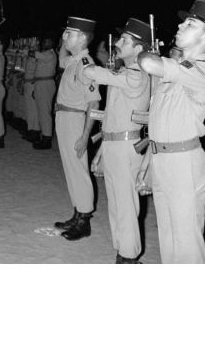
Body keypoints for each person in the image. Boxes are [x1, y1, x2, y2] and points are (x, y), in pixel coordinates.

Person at [138, 0, 205, 263]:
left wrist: (148, 53)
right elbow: (160, 124)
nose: (180, 25)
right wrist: (149, 161)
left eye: (190, 24)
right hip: (164, 159)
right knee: (168, 238)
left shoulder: (204, 72)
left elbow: (149, 64)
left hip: (184, 163)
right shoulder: (178, 72)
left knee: (187, 244)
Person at [83, 18, 151, 263]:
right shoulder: (123, 72)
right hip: (113, 143)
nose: (118, 43)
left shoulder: (137, 74)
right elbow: (111, 116)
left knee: (126, 204)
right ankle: (122, 250)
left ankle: (129, 256)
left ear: (139, 48)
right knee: (115, 202)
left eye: (125, 40)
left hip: (126, 146)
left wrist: (87, 62)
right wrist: (102, 148)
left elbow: (92, 72)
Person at [54, 17, 101, 241]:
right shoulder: (74, 60)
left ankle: (84, 220)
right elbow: (61, 59)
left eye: (69, 33)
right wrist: (65, 42)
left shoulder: (86, 65)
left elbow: (94, 103)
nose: (64, 36)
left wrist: (84, 136)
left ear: (82, 37)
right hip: (64, 117)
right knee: (71, 169)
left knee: (79, 170)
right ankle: (77, 213)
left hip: (75, 120)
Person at [32, 37, 57, 150]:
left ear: (51, 43)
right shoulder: (45, 54)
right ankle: (43, 135)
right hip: (41, 83)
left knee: (45, 112)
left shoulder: (50, 54)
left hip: (46, 83)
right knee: (41, 111)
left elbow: (34, 54)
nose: (43, 43)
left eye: (46, 41)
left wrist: (26, 50)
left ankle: (47, 139)